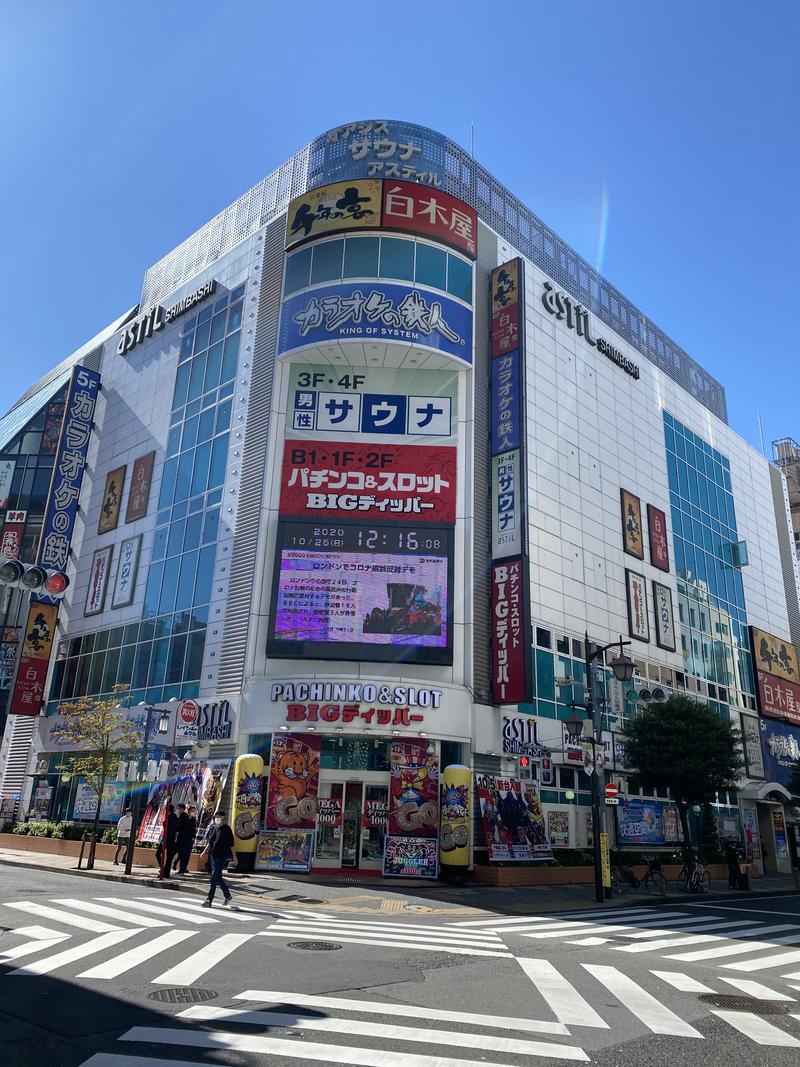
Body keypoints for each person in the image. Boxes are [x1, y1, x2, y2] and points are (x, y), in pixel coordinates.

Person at [201, 812, 237, 908]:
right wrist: (204, 851)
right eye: (215, 817)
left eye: (219, 817)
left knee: (213, 878)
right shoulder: (213, 828)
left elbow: (231, 845)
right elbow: (210, 842)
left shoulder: (227, 830)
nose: (217, 818)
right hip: (213, 855)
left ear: (223, 818)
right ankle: (228, 895)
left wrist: (234, 856)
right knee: (218, 877)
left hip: (222, 856)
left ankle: (209, 899)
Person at [157, 804, 179, 880]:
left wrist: (164, 840)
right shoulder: (175, 817)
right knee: (169, 857)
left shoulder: (170, 818)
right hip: (172, 839)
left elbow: (168, 828)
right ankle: (166, 872)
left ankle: (164, 871)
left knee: (158, 853)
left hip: (167, 839)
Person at [177, 804, 197, 874]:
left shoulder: (194, 819)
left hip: (189, 839)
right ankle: (181, 868)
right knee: (182, 854)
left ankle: (184, 868)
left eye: (194, 811)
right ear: (188, 811)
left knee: (187, 854)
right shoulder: (184, 817)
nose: (193, 812)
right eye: (191, 811)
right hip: (183, 838)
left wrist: (193, 838)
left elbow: (194, 830)